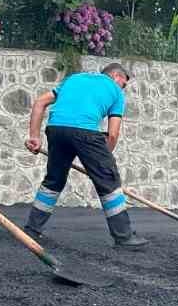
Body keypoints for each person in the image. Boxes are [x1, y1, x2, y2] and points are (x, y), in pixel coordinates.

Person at [21, 62, 147, 250]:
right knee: (109, 182)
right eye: (124, 84)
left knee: (54, 180)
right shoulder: (115, 91)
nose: (123, 88)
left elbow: (40, 102)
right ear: (115, 76)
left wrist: (34, 137)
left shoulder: (73, 79)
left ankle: (31, 229)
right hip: (86, 132)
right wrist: (102, 165)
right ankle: (124, 236)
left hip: (56, 129)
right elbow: (112, 134)